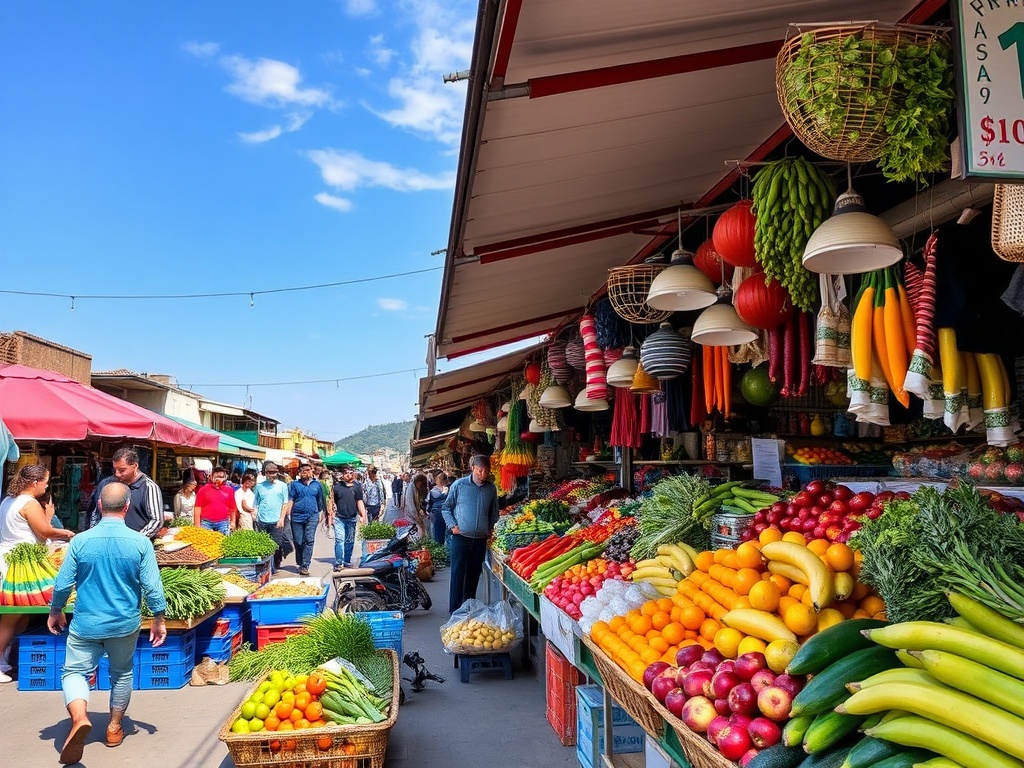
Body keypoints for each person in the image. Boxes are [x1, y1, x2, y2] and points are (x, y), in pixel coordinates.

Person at [48, 481, 167, 764]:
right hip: (124, 624)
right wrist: (159, 619)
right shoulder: (140, 543)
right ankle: (114, 728)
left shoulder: (80, 541)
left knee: (74, 672)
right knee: (122, 673)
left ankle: (80, 718)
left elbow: (63, 583)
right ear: (127, 508)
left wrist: (55, 610)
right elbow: (152, 587)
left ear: (99, 506)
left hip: (86, 623)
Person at [0, 465, 75, 684]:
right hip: (20, 567)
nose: (46, 485)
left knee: (21, 615)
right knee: (12, 616)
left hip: (11, 560)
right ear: (34, 483)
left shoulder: (8, 501)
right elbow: (44, 532)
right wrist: (67, 532)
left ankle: (6, 659)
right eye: (45, 481)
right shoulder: (29, 503)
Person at [441, 455, 499, 614]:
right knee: (458, 574)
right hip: (461, 538)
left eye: (486, 470)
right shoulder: (459, 485)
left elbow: (494, 514)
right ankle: (454, 611)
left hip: (480, 540)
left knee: (474, 575)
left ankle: (469, 609)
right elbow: (446, 508)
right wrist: (453, 526)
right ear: (473, 468)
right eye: (480, 470)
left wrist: (490, 528)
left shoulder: (491, 488)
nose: (483, 474)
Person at [88, 447, 163, 539]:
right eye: (115, 469)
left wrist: (138, 539)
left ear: (135, 466)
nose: (117, 474)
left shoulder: (148, 487)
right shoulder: (106, 484)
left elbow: (156, 520)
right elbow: (95, 513)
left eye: (122, 470)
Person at [285, 463, 325, 576]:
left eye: (307, 470)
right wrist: (287, 515)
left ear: (311, 472)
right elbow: (290, 499)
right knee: (298, 541)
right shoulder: (294, 484)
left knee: (309, 540)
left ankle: (305, 565)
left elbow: (320, 500)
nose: (304, 472)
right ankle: (300, 560)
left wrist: (321, 514)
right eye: (302, 470)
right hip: (297, 517)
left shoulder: (317, 485)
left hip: (312, 516)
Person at [253, 462, 291, 570]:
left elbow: (285, 503)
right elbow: (256, 501)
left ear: (277, 473)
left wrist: (281, 519)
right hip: (262, 519)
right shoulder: (259, 486)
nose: (272, 475)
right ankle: (265, 566)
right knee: (263, 544)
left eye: (274, 473)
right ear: (265, 473)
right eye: (269, 473)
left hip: (276, 520)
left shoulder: (283, 486)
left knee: (276, 544)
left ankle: (275, 563)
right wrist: (254, 513)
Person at [329, 465, 367, 570]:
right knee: (339, 540)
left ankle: (346, 560)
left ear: (354, 474)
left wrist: (363, 515)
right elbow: (331, 501)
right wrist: (330, 516)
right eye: (346, 473)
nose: (348, 475)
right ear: (343, 475)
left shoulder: (357, 487)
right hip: (339, 518)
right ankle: (339, 563)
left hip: (351, 518)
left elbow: (359, 501)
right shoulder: (337, 486)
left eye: (351, 473)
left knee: (349, 541)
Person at [193, 465, 235, 534]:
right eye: (217, 476)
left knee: (223, 542)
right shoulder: (203, 490)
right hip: (206, 523)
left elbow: (233, 508)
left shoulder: (229, 490)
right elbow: (197, 508)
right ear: (211, 476)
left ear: (225, 478)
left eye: (221, 477)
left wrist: (233, 521)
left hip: (223, 523)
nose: (219, 479)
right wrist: (197, 525)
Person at [403, 473, 429, 539]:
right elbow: (411, 506)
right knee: (420, 532)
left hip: (413, 515)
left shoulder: (414, 487)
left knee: (422, 531)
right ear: (419, 482)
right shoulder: (411, 487)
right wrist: (417, 518)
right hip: (411, 516)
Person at [426, 471, 449, 545]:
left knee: (438, 534)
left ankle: (439, 549)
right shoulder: (449, 489)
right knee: (448, 535)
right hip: (448, 514)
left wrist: (428, 513)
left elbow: (428, 504)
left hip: (436, 515)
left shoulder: (432, 491)